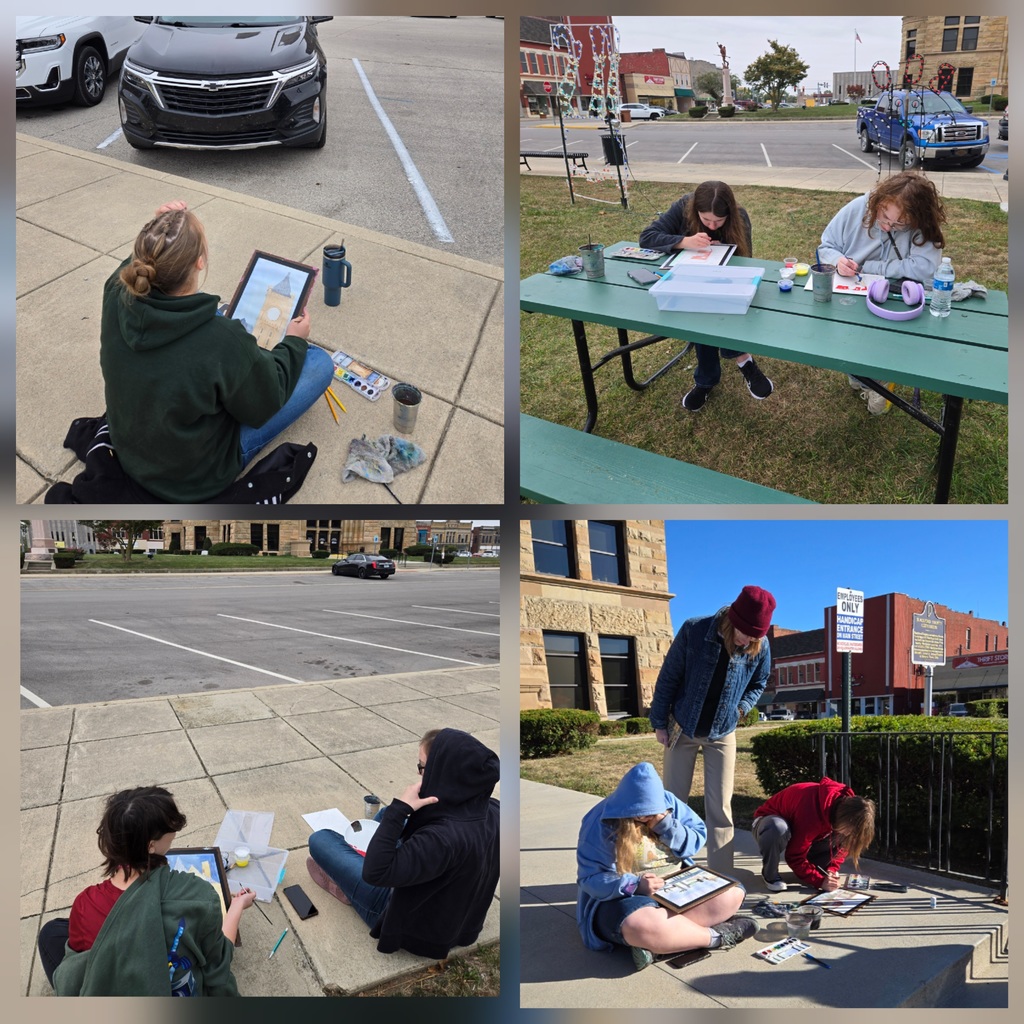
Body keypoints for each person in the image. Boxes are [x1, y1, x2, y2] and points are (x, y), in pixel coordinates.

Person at [98, 199, 336, 501]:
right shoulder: (220, 338)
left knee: (233, 361)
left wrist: (159, 232)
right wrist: (295, 341)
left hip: (132, 451)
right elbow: (264, 403)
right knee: (318, 363)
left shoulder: (115, 290)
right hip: (196, 478)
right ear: (199, 262)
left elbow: (133, 266)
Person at [38, 786, 254, 996]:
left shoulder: (86, 904)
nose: (174, 831)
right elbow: (218, 965)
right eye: (170, 828)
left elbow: (75, 972)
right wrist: (236, 906)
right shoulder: (198, 896)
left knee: (51, 932)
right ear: (151, 846)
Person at [305, 728, 499, 959]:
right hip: (452, 910)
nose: (419, 774)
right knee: (387, 813)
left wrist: (401, 809)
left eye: (423, 767)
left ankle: (350, 890)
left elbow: (375, 872)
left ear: (443, 771)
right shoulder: (494, 809)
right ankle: (357, 865)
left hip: (395, 909)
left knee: (320, 839)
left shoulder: (441, 838)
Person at [576, 761, 755, 971]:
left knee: (733, 893)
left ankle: (661, 943)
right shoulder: (599, 821)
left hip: (677, 887)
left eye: (652, 812)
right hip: (627, 899)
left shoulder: (669, 801)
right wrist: (634, 885)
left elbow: (696, 839)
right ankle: (716, 937)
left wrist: (666, 825)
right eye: (641, 814)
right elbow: (590, 879)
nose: (646, 818)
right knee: (639, 926)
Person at [648, 585, 776, 873]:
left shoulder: (760, 645)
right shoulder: (695, 630)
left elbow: (759, 682)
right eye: (744, 632)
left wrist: (741, 708)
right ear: (732, 618)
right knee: (672, 804)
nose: (747, 641)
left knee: (720, 809)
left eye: (755, 636)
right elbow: (668, 677)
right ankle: (671, 871)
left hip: (723, 732)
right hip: (681, 729)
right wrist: (659, 722)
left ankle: (721, 877)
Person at [818, 171, 947, 414]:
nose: (888, 225)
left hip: (900, 298)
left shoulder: (923, 225)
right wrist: (838, 261)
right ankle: (864, 376)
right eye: (884, 216)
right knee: (845, 333)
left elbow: (924, 267)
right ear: (878, 202)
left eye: (900, 224)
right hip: (853, 293)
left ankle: (879, 377)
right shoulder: (858, 207)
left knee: (890, 339)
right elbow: (826, 246)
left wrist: (873, 268)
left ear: (918, 218)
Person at [639, 180, 773, 411]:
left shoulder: (739, 216)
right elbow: (647, 237)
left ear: (728, 213)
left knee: (716, 307)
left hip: (727, 284)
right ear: (695, 211)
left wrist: (726, 250)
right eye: (706, 219)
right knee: (700, 310)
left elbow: (746, 258)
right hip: (688, 280)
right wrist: (684, 241)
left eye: (718, 221)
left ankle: (729, 366)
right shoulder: (683, 206)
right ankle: (720, 372)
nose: (711, 225)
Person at [751, 778, 877, 892]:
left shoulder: (848, 810)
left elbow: (843, 846)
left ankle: (822, 869)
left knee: (840, 838)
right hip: (767, 823)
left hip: (800, 827)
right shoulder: (812, 814)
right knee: (777, 828)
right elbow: (794, 856)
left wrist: (831, 869)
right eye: (850, 830)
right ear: (843, 818)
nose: (850, 833)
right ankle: (770, 874)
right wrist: (819, 881)